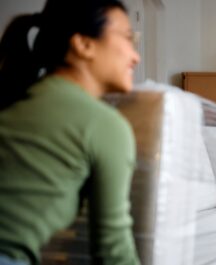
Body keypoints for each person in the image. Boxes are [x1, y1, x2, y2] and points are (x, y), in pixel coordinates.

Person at [0, 0, 141, 264]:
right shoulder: (103, 124)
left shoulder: (19, 97)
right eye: (127, 38)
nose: (136, 56)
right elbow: (113, 252)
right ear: (84, 44)